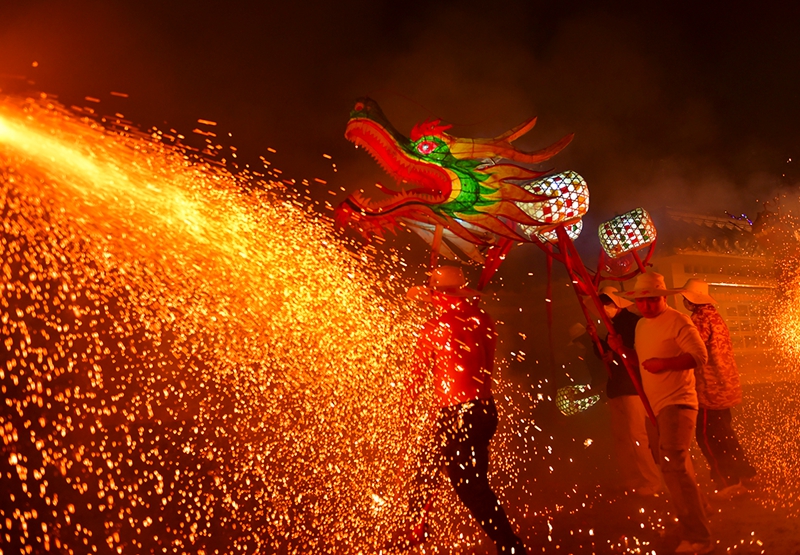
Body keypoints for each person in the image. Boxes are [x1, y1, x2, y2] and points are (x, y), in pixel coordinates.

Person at [402, 265, 527, 554]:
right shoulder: (483, 318)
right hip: (482, 409)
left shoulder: (435, 328)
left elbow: (416, 376)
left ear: (438, 295)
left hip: (460, 415)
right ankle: (415, 526)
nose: (431, 301)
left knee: (471, 488)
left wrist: (405, 411)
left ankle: (510, 546)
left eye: (433, 295)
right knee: (427, 466)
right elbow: (486, 366)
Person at [611, 271, 714, 555]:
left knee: (673, 466)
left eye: (652, 299)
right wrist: (621, 351)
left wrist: (665, 363)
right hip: (653, 406)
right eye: (642, 301)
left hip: (678, 403)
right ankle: (697, 510)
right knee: (670, 466)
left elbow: (698, 356)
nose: (646, 305)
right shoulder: (643, 326)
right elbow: (643, 362)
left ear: (662, 298)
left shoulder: (678, 322)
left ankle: (699, 536)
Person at [681, 278, 757, 499]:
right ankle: (746, 473)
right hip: (726, 387)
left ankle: (727, 482)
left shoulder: (699, 319)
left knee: (708, 437)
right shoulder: (715, 316)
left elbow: (692, 350)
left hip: (709, 390)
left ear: (690, 299)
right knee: (725, 434)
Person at [596, 286, 663, 496]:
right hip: (617, 387)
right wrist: (603, 350)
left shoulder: (634, 323)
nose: (604, 308)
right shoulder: (611, 325)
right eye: (602, 304)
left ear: (617, 303)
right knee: (622, 437)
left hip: (632, 386)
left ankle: (652, 480)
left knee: (637, 435)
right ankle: (632, 479)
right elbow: (608, 353)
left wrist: (616, 354)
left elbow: (638, 353)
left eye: (607, 303)